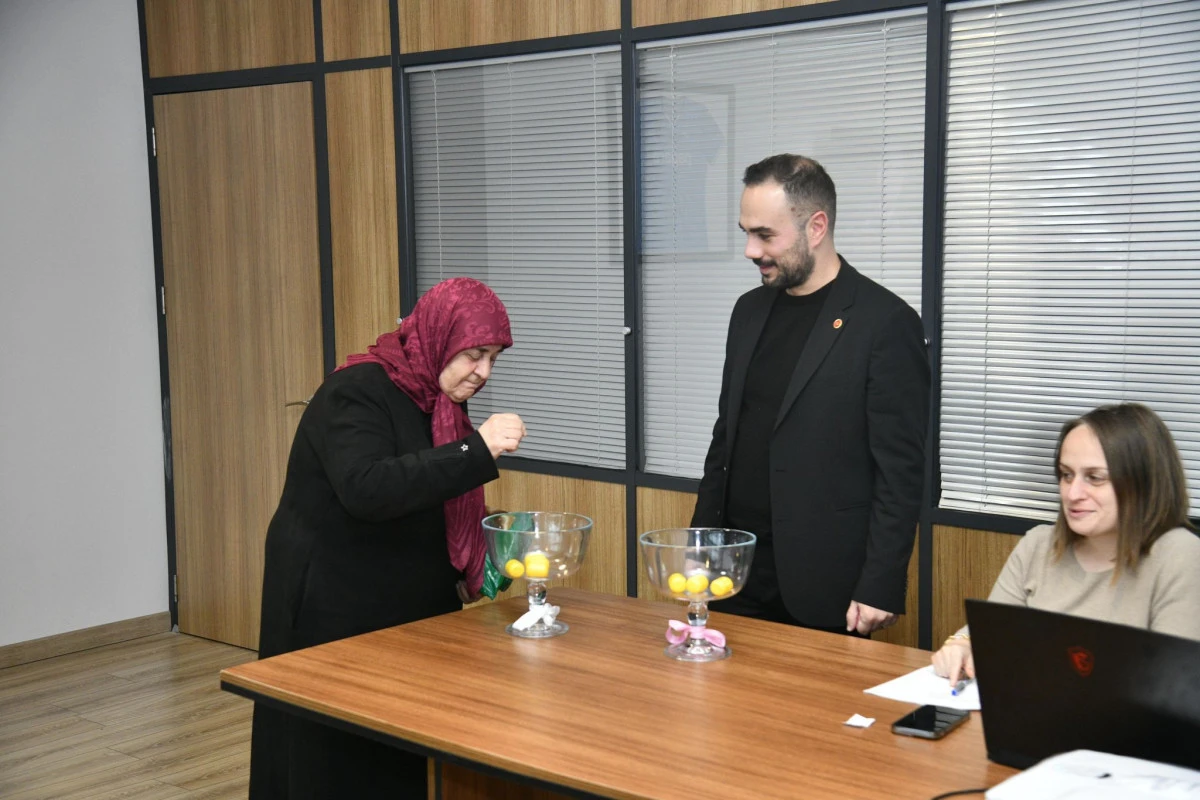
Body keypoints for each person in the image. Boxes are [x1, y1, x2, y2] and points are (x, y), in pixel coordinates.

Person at [248, 277, 527, 800]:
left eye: (493, 358)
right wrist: (476, 450)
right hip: (333, 599)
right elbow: (367, 488)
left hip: (399, 593)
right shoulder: (357, 390)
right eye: (474, 355)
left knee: (404, 747)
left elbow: (428, 487)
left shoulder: (439, 400)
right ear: (439, 338)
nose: (484, 373)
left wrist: (478, 541)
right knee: (332, 755)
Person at [692, 154, 930, 635]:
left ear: (816, 227)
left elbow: (904, 473)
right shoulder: (748, 312)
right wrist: (700, 546)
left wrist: (881, 582)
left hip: (825, 586)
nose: (750, 250)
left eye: (765, 235)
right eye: (746, 233)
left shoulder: (885, 323)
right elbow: (725, 439)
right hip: (733, 575)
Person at [933, 402, 1200, 685]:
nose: (1073, 494)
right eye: (1066, 475)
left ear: (1144, 482)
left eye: (1094, 478)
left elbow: (1173, 685)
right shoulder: (1039, 545)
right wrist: (962, 645)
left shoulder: (1181, 555)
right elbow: (989, 634)